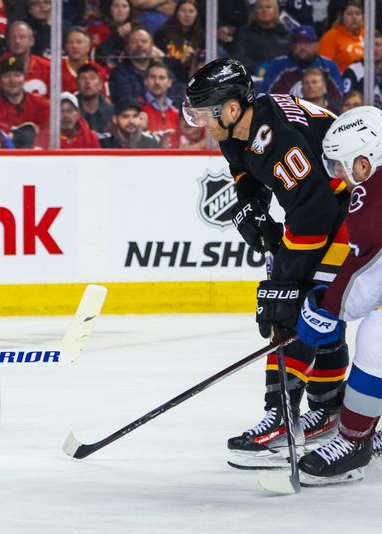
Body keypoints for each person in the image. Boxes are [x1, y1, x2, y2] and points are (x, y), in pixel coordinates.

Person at [184, 58, 351, 469]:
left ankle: (282, 416)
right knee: (307, 307)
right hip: (326, 209)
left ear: (233, 107)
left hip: (349, 212)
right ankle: (327, 410)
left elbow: (313, 216)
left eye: (206, 110)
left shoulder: (278, 138)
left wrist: (286, 283)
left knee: (304, 306)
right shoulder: (234, 129)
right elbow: (244, 171)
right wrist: (251, 206)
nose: (202, 120)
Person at [295, 106, 382, 485]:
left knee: (376, 338)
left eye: (342, 165)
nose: (340, 175)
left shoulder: (373, 200)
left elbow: (371, 271)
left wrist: (328, 308)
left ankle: (354, 441)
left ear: (367, 160)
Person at [260, 25, 344, 108]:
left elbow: (340, 98)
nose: (302, 47)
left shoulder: (328, 66)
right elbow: (265, 98)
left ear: (316, 45)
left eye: (307, 42)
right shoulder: (277, 65)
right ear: (292, 45)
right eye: (299, 42)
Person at [0, 55, 49, 149]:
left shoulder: (40, 103)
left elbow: (48, 132)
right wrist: (29, 133)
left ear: (25, 78)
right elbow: (0, 135)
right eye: (7, 76)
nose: (12, 80)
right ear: (0, 80)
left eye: (17, 75)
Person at [0, 20, 51, 100]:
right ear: (8, 42)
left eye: (22, 37)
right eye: (13, 38)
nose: (17, 41)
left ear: (32, 41)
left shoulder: (48, 68)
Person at [231, 0, 291, 77]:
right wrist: (257, 68)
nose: (264, 10)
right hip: (253, 77)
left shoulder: (286, 34)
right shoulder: (243, 33)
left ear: (276, 11)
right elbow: (238, 57)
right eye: (260, 7)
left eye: (268, 7)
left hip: (283, 76)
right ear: (254, 11)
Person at [153, 0, 203, 84]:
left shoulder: (202, 36)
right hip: (170, 78)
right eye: (183, 11)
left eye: (191, 11)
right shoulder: (163, 34)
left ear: (197, 14)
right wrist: (180, 61)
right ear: (176, 13)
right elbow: (158, 61)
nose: (187, 15)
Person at [108, 27, 156, 102]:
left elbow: (175, 93)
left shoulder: (161, 69)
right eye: (134, 42)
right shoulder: (119, 73)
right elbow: (125, 99)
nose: (140, 45)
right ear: (127, 47)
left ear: (152, 46)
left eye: (144, 41)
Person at [318, 0, 364, 75]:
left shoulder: (369, 34)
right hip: (341, 82)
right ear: (341, 17)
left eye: (358, 14)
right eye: (349, 14)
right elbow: (323, 68)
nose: (354, 17)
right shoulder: (330, 37)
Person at [89, 0, 139, 69]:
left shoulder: (137, 29)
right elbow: (95, 55)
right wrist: (117, 35)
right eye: (116, 6)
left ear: (130, 10)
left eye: (124, 6)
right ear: (110, 8)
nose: (120, 10)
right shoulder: (98, 27)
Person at [61, 27, 110, 97]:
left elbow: (106, 100)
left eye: (79, 42)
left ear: (88, 47)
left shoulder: (99, 71)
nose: (74, 46)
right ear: (66, 47)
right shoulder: (55, 69)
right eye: (70, 42)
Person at [140, 60, 179, 147]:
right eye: (153, 77)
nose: (157, 82)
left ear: (169, 82)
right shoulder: (137, 109)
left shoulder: (177, 111)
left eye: (161, 78)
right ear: (146, 81)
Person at [341, 30, 381, 110]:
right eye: (370, 45)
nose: (374, 49)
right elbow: (348, 99)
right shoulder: (353, 70)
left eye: (378, 45)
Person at [76, 63, 114, 136]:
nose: (87, 82)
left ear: (100, 84)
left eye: (92, 78)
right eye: (83, 78)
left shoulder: (111, 112)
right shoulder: (71, 111)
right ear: (77, 84)